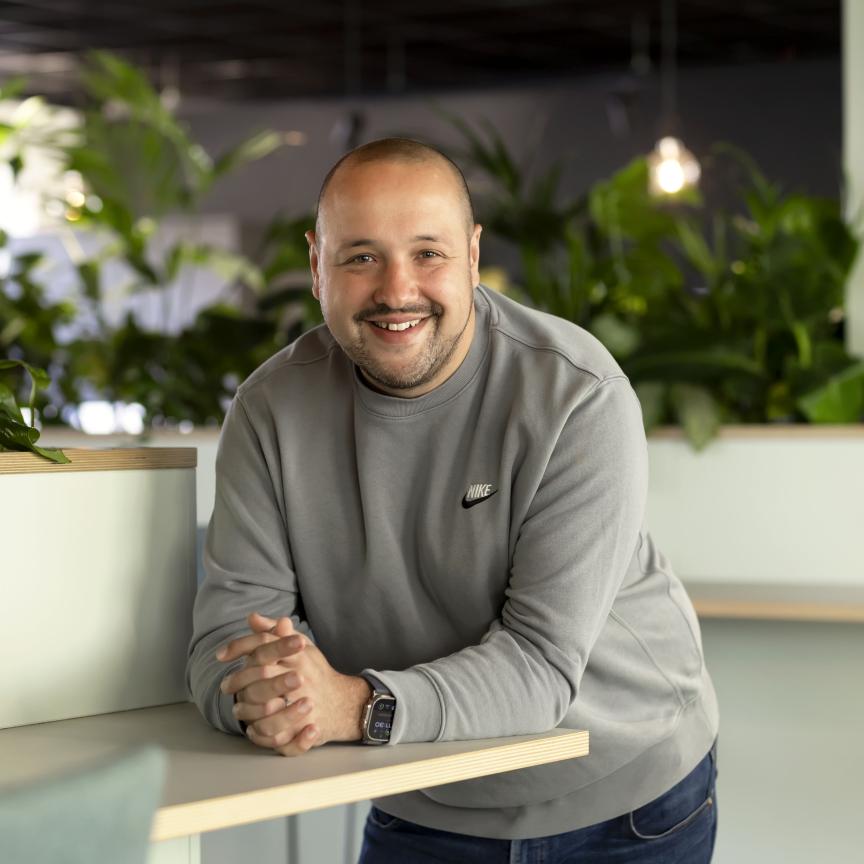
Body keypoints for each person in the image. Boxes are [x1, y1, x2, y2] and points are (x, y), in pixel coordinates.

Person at [187, 137, 719, 863]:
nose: (396, 290)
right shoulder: (268, 413)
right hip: (421, 789)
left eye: (428, 253)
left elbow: (539, 667)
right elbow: (224, 642)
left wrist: (355, 705)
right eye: (361, 257)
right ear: (316, 265)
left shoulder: (577, 394)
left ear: (472, 255)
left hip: (622, 798)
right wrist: (266, 695)